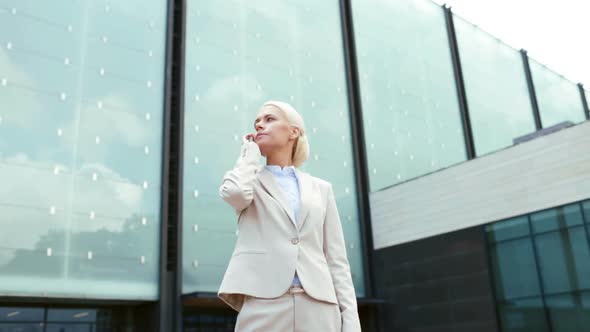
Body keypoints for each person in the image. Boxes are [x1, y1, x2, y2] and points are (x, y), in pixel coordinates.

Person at [217, 100, 362, 332]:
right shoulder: (249, 180)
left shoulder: (321, 189)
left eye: (269, 119)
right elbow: (234, 193)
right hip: (263, 302)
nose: (260, 126)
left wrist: (351, 322)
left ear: (294, 131)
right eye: (257, 122)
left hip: (319, 305)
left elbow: (336, 261)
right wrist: (248, 156)